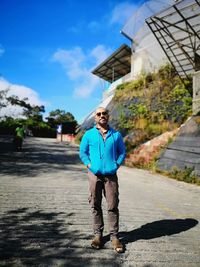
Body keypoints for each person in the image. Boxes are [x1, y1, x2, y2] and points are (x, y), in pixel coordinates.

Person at [79, 107, 126, 253]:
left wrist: (116, 165)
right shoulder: (89, 134)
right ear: (95, 118)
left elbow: (122, 152)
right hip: (94, 175)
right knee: (95, 204)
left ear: (108, 116)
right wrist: (89, 165)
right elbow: (83, 152)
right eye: (98, 114)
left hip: (111, 175)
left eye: (104, 113)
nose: (102, 116)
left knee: (112, 205)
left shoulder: (116, 135)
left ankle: (114, 237)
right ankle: (98, 235)